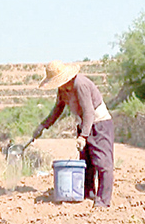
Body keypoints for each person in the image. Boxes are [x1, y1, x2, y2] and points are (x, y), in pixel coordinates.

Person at [32, 60, 115, 207]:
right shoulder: (63, 90)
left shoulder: (80, 85)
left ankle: (103, 200)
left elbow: (89, 112)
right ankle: (88, 193)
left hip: (99, 124)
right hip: (84, 124)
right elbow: (58, 108)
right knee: (86, 162)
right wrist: (43, 125)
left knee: (102, 163)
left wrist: (83, 136)